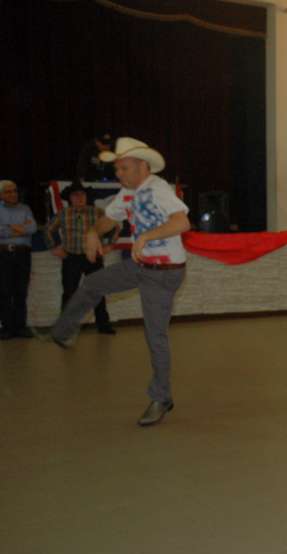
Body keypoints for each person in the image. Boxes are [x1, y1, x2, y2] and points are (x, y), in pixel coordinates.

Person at [46, 137, 190, 427]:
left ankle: (161, 398)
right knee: (92, 283)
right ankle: (64, 331)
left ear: (142, 166)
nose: (119, 174)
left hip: (164, 273)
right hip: (141, 265)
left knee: (155, 335)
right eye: (117, 169)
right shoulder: (128, 193)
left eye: (124, 168)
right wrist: (92, 233)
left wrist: (147, 236)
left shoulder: (158, 189)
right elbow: (109, 219)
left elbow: (182, 222)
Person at [46, 181, 118, 334]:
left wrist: (109, 245)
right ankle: (65, 327)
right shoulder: (63, 213)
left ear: (86, 196)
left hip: (93, 257)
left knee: (97, 291)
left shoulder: (97, 212)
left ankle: (103, 325)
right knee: (69, 293)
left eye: (82, 194)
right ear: (70, 198)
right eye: (75, 195)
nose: (79, 197)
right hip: (71, 257)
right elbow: (48, 230)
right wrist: (54, 247)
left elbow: (115, 226)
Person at [0, 180, 37, 339]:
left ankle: (21, 327)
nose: (13, 194)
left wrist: (8, 227)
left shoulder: (25, 208)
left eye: (14, 191)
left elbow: (32, 228)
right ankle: (7, 328)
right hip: (3, 254)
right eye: (8, 192)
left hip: (23, 254)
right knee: (4, 291)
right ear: (1, 195)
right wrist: (20, 228)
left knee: (21, 291)